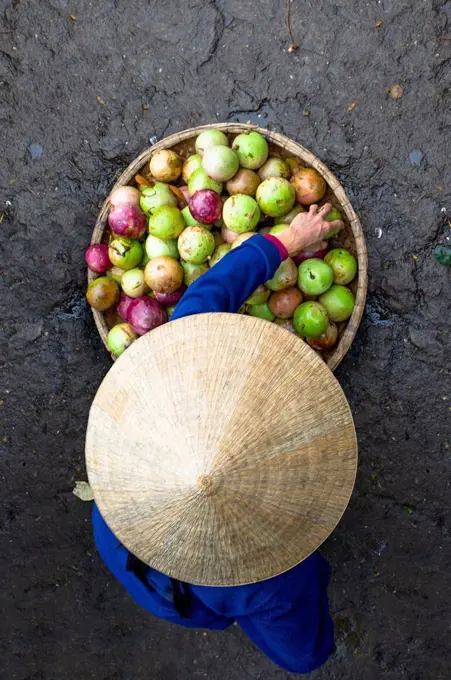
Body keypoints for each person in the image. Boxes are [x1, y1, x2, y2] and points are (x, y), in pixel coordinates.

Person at [92, 203, 343, 674]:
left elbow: (207, 295)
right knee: (302, 645)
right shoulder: (273, 572)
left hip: (119, 546)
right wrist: (290, 241)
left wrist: (283, 241)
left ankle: (216, 619)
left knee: (203, 613)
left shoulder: (132, 455)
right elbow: (300, 655)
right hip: (215, 596)